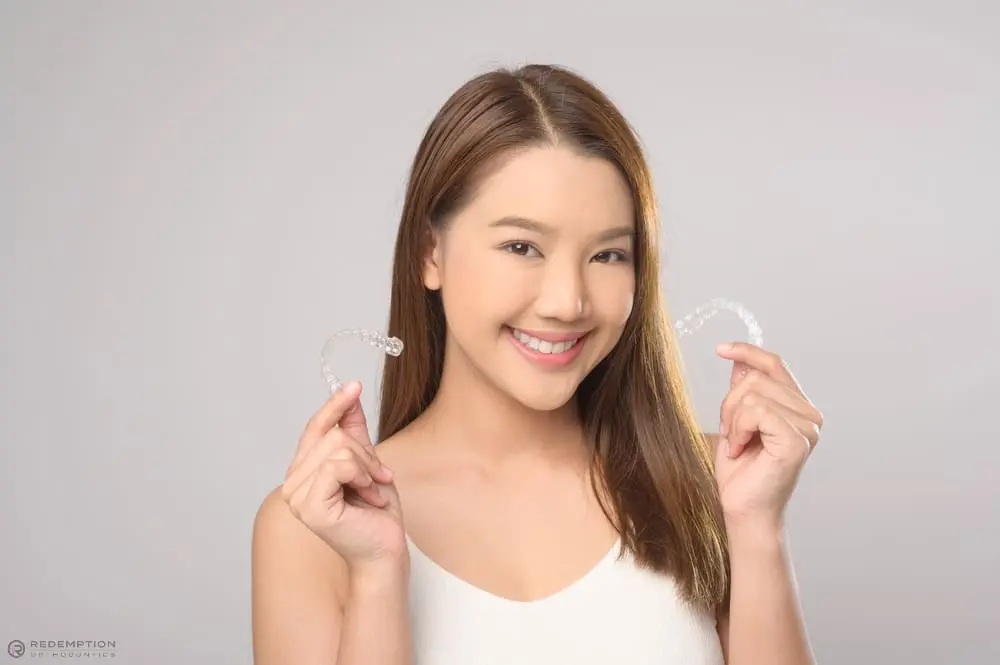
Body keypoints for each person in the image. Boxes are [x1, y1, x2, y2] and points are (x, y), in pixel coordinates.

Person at [251, 63, 824, 665]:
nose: (567, 302)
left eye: (607, 254)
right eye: (522, 247)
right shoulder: (314, 526)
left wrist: (757, 528)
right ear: (430, 253)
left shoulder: (718, 486)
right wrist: (376, 575)